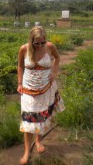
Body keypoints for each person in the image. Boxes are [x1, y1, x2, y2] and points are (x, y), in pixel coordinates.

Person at [17, 26, 65, 164]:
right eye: (36, 43)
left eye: (42, 42)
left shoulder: (50, 47)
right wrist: (19, 83)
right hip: (28, 89)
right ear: (31, 41)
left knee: (41, 115)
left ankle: (38, 141)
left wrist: (54, 73)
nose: (39, 46)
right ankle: (26, 152)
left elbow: (57, 58)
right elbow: (20, 66)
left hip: (45, 88)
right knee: (28, 120)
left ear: (46, 39)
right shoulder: (24, 49)